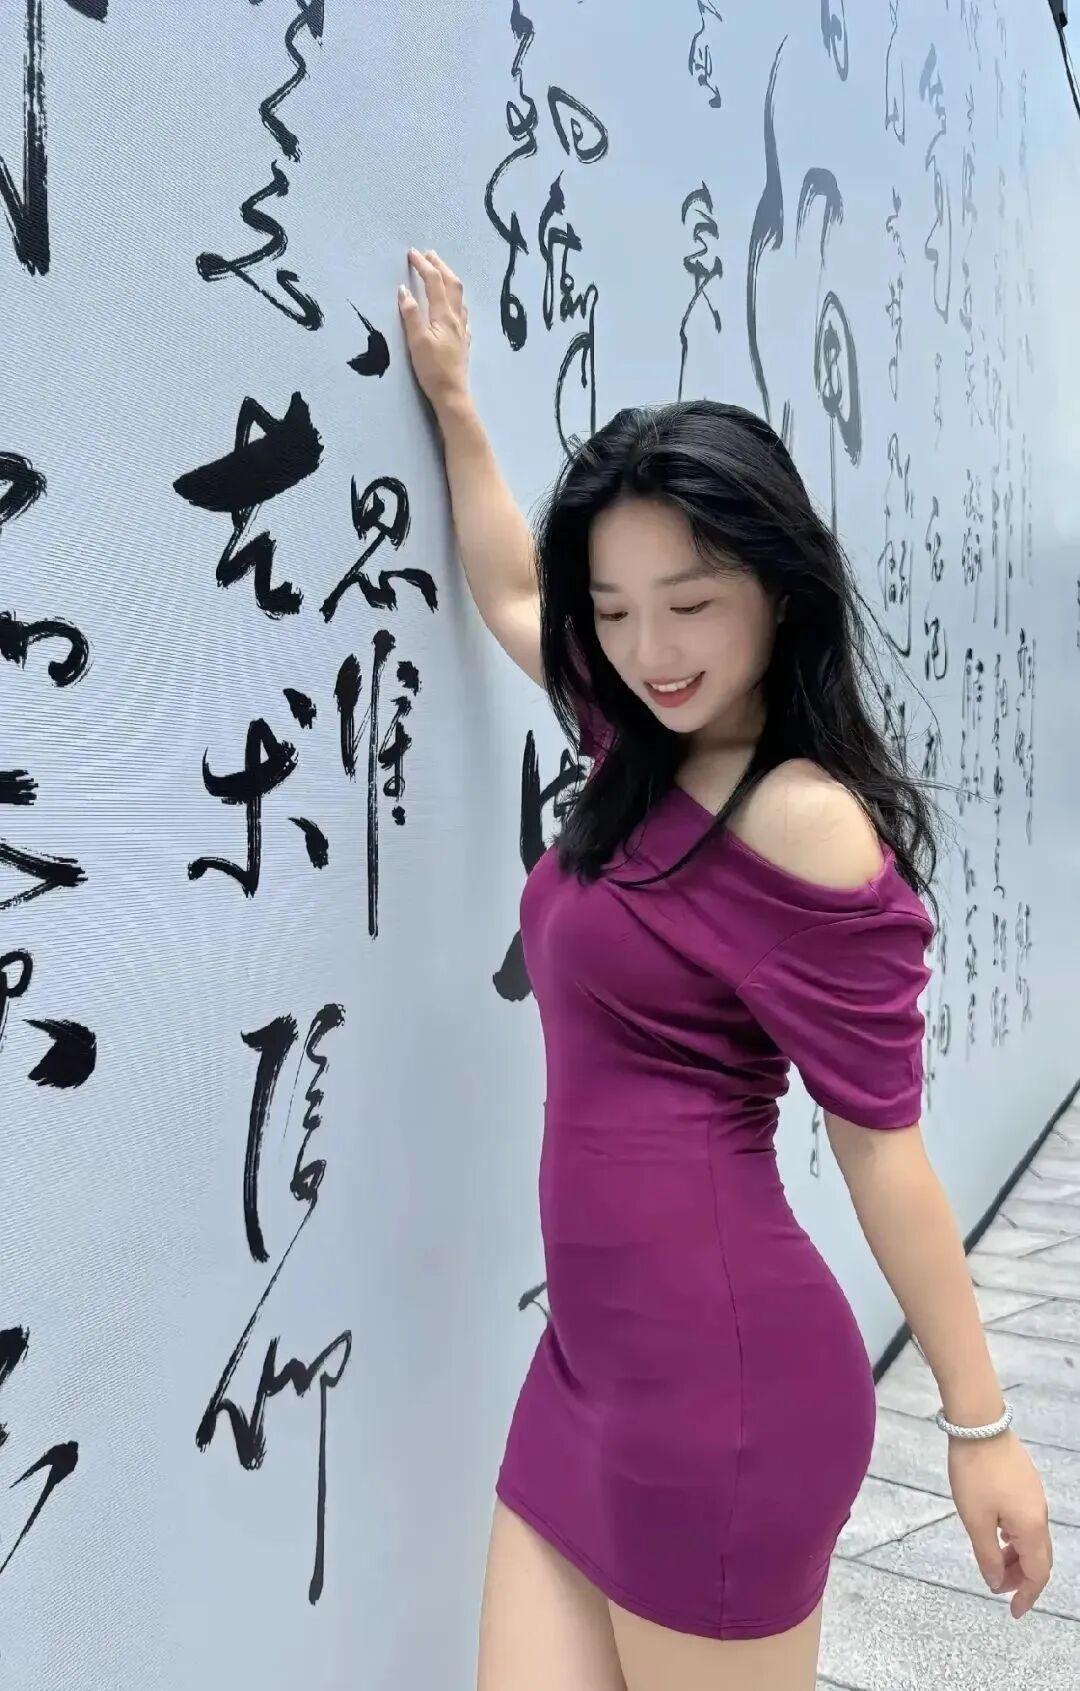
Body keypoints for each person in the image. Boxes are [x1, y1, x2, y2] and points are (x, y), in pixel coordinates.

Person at [397, 249, 1054, 1691]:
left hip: (724, 1397)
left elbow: (881, 1148)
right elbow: (508, 590)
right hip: (585, 1372)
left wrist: (982, 1427)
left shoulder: (800, 819)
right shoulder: (639, 740)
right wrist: (454, 403)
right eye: (615, 608)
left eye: (689, 603)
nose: (649, 648)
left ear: (778, 587)